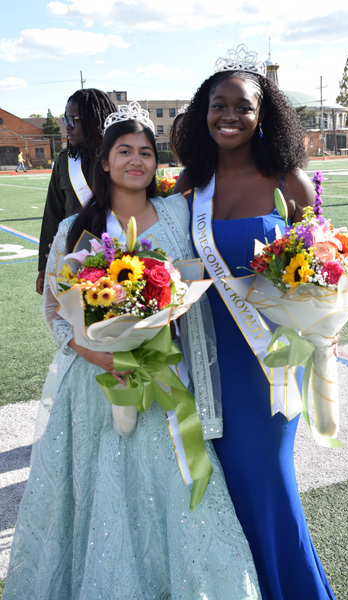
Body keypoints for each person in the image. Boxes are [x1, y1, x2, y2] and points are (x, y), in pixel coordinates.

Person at [3, 103, 261, 600]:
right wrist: (90, 349)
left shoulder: (177, 214)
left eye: (146, 151)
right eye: (124, 151)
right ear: (104, 161)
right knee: (101, 492)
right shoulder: (75, 229)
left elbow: (197, 272)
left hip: (166, 377)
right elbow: (55, 309)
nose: (136, 161)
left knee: (173, 488)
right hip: (95, 383)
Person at [174, 44, 337, 599]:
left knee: (269, 479)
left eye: (242, 106)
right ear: (205, 112)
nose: (229, 115)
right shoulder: (189, 188)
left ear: (262, 115)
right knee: (226, 487)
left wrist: (323, 319)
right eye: (218, 105)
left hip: (268, 362)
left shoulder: (288, 180)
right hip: (206, 359)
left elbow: (327, 262)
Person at [36, 88, 117, 295]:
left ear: (94, 121)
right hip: (72, 256)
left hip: (116, 254)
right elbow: (52, 215)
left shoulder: (119, 157)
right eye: (65, 119)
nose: (67, 127)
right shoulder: (65, 160)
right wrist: (43, 267)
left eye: (73, 119)